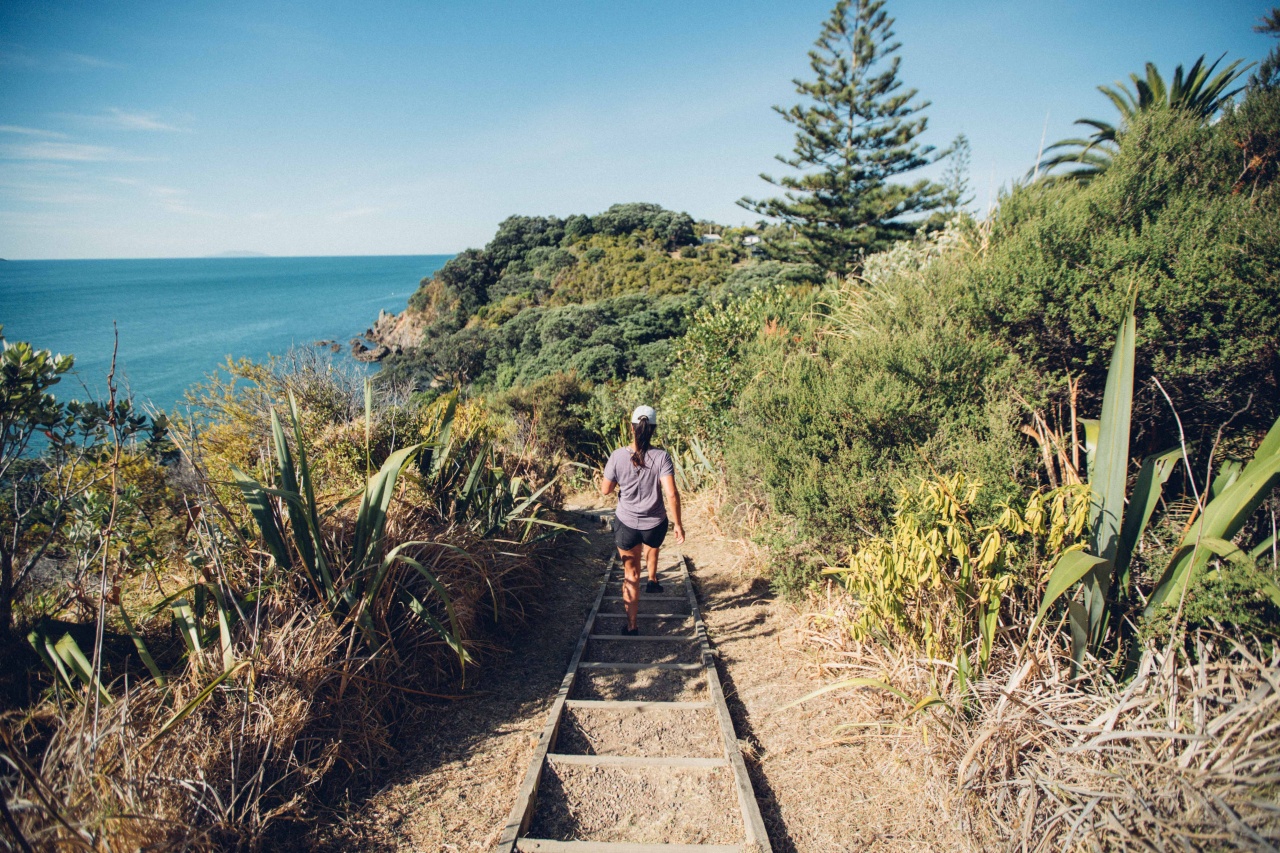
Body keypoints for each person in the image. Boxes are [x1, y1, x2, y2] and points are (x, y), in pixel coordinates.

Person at [600, 405, 685, 635]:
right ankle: (653, 579)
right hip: (655, 524)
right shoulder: (662, 457)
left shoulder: (617, 455)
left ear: (631, 427)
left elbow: (605, 490)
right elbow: (671, 494)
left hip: (626, 524)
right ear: (653, 429)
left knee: (631, 574)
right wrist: (678, 524)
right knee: (652, 547)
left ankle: (632, 626)